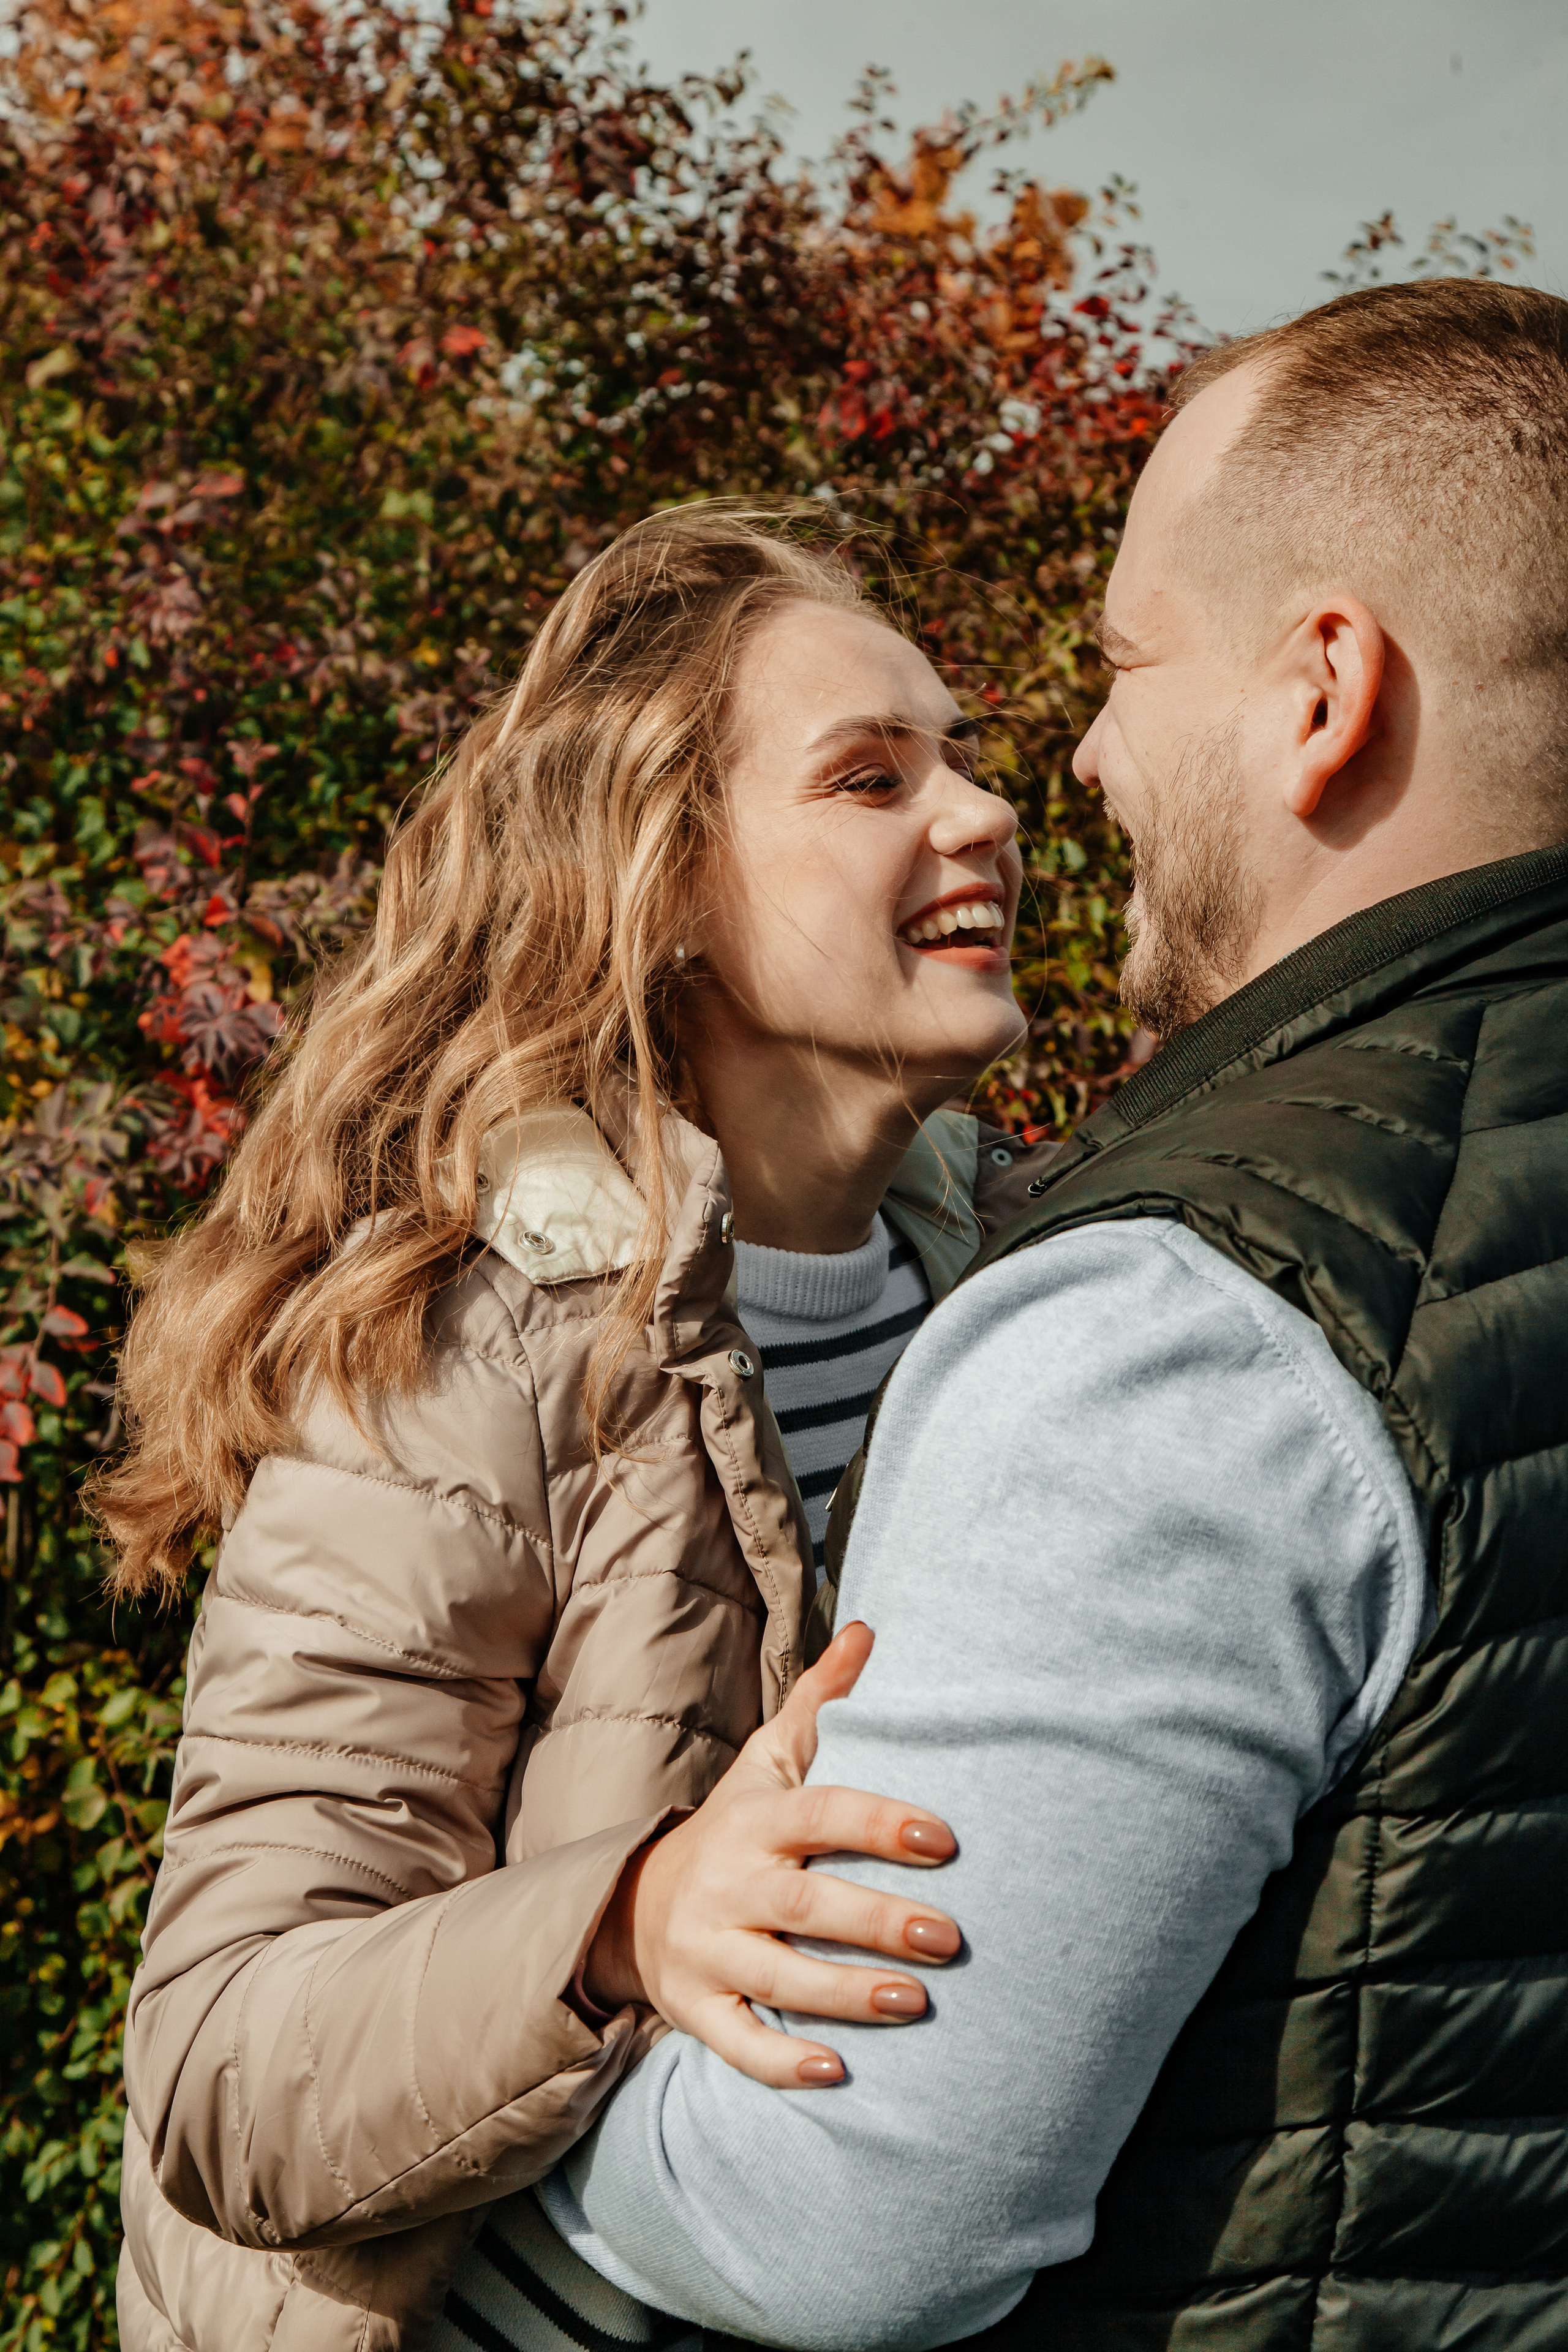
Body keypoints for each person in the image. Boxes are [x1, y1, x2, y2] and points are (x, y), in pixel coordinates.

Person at [524, 279, 1568, 2352]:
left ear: (1322, 689)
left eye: (1109, 666)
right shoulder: (468, 1345)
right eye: (868, 771)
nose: (1054, 773)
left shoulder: (1175, 1327)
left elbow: (848, 2220)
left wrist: (507, 2087)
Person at [104, 507, 1055, 2352]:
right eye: (870, 778)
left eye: (964, 751)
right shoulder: (474, 1353)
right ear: (665, 885)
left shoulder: (1023, 1283)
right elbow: (220, 2065)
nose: (983, 813)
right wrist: (625, 1920)